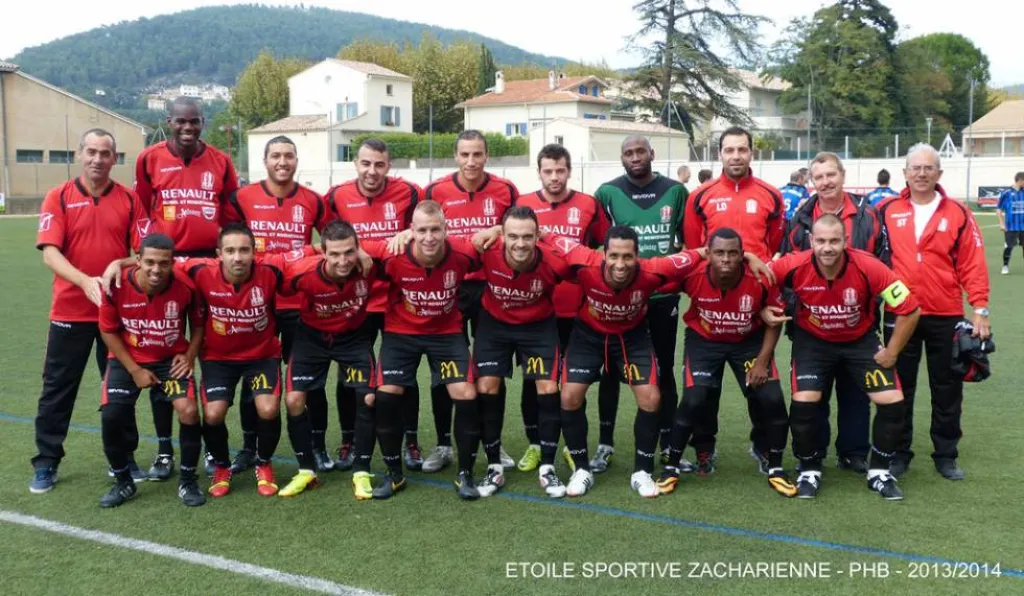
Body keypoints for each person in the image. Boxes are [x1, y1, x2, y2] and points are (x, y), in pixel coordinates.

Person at [765, 214, 921, 500]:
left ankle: (879, 471)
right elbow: (758, 280)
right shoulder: (793, 264)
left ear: (845, 241)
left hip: (859, 342)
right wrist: (765, 307)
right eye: (821, 241)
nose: (827, 248)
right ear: (811, 241)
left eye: (834, 241)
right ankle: (809, 468)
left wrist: (892, 350)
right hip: (812, 342)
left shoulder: (869, 266)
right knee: (804, 402)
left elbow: (910, 308)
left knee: (893, 402)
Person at [30, 128, 149, 494]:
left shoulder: (130, 200)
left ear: (115, 159)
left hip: (115, 314)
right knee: (57, 389)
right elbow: (50, 251)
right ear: (79, 154)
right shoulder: (59, 197)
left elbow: (144, 253)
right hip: (70, 312)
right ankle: (47, 461)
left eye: (106, 153)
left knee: (120, 389)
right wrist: (84, 281)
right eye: (92, 151)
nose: (98, 159)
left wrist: (119, 262)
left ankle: (123, 458)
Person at [134, 96, 239, 480]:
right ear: (169, 121)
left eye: (194, 121)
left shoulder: (221, 162)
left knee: (209, 346)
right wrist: (151, 257)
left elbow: (229, 215)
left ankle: (213, 448)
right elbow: (143, 212)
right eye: (181, 121)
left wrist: (221, 259)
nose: (188, 127)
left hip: (208, 265)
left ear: (203, 122)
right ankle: (165, 450)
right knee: (166, 352)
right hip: (168, 264)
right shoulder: (149, 159)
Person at [876, 143, 991, 480]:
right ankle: (898, 453)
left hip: (946, 314)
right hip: (901, 315)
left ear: (939, 173)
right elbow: (871, 261)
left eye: (929, 168)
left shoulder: (957, 212)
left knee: (947, 388)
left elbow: (973, 263)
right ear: (905, 173)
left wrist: (980, 308)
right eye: (916, 168)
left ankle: (946, 454)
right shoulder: (885, 209)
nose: (922, 174)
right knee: (900, 387)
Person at [221, 136, 332, 475]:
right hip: (258, 304)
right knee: (251, 375)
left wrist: (308, 255)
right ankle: (249, 447)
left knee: (308, 380)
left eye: (288, 156)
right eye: (275, 156)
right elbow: (232, 245)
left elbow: (331, 243)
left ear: (296, 160)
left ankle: (317, 445)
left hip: (300, 304)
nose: (282, 162)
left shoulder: (313, 200)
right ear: (265, 160)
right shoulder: (242, 197)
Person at [658, 228, 796, 498]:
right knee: (695, 398)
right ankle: (674, 466)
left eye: (732, 253)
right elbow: (657, 280)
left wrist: (762, 362)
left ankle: (776, 467)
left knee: (771, 398)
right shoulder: (693, 274)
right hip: (704, 340)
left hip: (748, 342)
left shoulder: (759, 277)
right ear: (708, 254)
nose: (725, 259)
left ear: (742, 256)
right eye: (719, 252)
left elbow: (775, 321)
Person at [363, 201, 485, 499]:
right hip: (401, 333)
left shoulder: (463, 252)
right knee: (386, 395)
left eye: (435, 229)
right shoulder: (392, 253)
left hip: (445, 334)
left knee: (467, 394)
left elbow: (492, 241)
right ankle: (394, 475)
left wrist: (495, 228)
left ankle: (465, 475)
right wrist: (361, 254)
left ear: (446, 229)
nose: (429, 237)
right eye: (421, 231)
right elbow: (354, 243)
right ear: (411, 231)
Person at [683, 126, 785, 473]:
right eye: (730, 150)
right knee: (704, 392)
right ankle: (704, 448)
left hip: (754, 307)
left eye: (742, 149)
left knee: (759, 389)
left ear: (751, 153)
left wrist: (754, 263)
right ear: (720, 153)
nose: (736, 156)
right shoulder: (700, 196)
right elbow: (697, 249)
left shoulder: (771, 196)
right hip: (712, 304)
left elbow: (771, 245)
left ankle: (761, 444)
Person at [780, 152, 886, 474]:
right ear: (812, 181)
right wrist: (797, 307)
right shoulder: (800, 219)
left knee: (856, 392)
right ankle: (815, 454)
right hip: (811, 325)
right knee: (815, 392)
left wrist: (866, 305)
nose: (825, 182)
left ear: (842, 174)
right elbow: (787, 270)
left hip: (858, 323)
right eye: (819, 177)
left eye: (831, 175)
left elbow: (885, 266)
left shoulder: (869, 214)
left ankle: (853, 452)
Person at [421, 130, 517, 473]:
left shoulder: (505, 190)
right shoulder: (435, 191)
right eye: (464, 154)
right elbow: (420, 235)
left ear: (487, 155)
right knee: (442, 370)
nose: (471, 161)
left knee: (491, 370)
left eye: (477, 154)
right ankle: (444, 443)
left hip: (493, 289)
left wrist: (499, 231)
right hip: (449, 289)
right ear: (455, 156)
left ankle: (494, 442)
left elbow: (518, 229)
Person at [591, 135, 688, 474]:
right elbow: (598, 245)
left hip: (662, 297)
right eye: (629, 153)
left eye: (640, 151)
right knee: (610, 369)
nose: (635, 157)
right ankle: (605, 444)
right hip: (621, 298)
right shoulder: (606, 193)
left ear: (652, 154)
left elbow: (687, 241)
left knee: (663, 370)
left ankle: (668, 444)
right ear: (621, 158)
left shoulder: (676, 192)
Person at [327, 138, 423, 471]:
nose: (372, 171)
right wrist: (356, 249)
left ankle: (410, 440)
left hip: (396, 296)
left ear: (388, 165)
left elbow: (424, 228)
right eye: (366, 163)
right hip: (356, 299)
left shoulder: (409, 193)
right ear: (356, 163)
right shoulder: (337, 196)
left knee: (403, 373)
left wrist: (410, 234)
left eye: (379, 164)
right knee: (349, 373)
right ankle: (349, 439)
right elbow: (325, 239)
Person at [461, 206, 570, 497]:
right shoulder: (487, 250)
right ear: (502, 236)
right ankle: (494, 465)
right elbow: (451, 248)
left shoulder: (554, 263)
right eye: (512, 236)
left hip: (537, 327)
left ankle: (548, 467)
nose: (520, 243)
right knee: (487, 385)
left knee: (547, 386)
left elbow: (584, 263)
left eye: (527, 236)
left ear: (537, 237)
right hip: (494, 326)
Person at [513, 144, 608, 472]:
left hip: (577, 312)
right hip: (535, 311)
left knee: (571, 383)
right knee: (534, 379)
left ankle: (571, 444)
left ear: (570, 170)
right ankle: (536, 444)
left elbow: (601, 249)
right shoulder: (522, 205)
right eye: (548, 171)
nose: (554, 177)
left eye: (560, 170)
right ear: (538, 172)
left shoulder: (587, 205)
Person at [178, 224, 290, 498]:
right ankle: (221, 467)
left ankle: (263, 463)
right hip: (219, 358)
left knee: (267, 408)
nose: (237, 257)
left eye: (244, 250)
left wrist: (358, 253)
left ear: (255, 252)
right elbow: (156, 259)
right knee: (214, 413)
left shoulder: (272, 269)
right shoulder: (200, 270)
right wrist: (118, 265)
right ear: (218, 254)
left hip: (261, 356)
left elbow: (314, 251)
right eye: (230, 251)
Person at [278, 221, 384, 499]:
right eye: (334, 254)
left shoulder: (369, 263)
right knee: (294, 400)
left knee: (369, 398)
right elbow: (269, 276)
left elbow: (403, 246)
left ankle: (361, 471)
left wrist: (409, 232)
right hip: (311, 338)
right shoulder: (301, 273)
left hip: (353, 338)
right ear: (322, 252)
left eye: (349, 252)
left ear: (358, 249)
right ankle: (306, 472)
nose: (342, 260)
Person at [96, 233, 205, 508]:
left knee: (189, 411)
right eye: (150, 262)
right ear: (138, 261)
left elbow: (200, 325)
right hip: (126, 361)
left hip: (170, 361)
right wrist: (134, 370)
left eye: (164, 263)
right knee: (112, 415)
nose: (157, 269)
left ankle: (188, 481)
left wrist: (189, 356)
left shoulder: (186, 286)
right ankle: (123, 482)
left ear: (173, 263)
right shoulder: (116, 286)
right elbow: (108, 331)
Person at [997, 172, 1024, 275]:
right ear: (1020, 180)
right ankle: (1005, 266)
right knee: (1009, 246)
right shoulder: (1007, 193)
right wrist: (1001, 223)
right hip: (1011, 226)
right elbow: (999, 209)